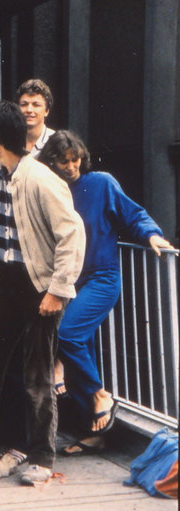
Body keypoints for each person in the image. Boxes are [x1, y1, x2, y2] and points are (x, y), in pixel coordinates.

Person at [0, 101, 85, 486]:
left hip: (40, 289)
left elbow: (72, 235)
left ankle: (41, 456)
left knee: (38, 376)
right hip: (5, 288)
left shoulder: (42, 179)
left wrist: (58, 290)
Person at [38, 130, 172, 455]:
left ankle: (100, 395)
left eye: (76, 160)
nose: (71, 166)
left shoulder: (101, 182)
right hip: (69, 282)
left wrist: (151, 235)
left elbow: (133, 213)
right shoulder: (52, 190)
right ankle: (94, 430)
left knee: (67, 334)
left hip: (102, 277)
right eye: (64, 161)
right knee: (78, 343)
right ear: (52, 163)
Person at [14, 79, 55, 157]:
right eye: (24, 104)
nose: (29, 110)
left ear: (46, 111)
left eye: (36, 105)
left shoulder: (57, 142)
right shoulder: (7, 142)